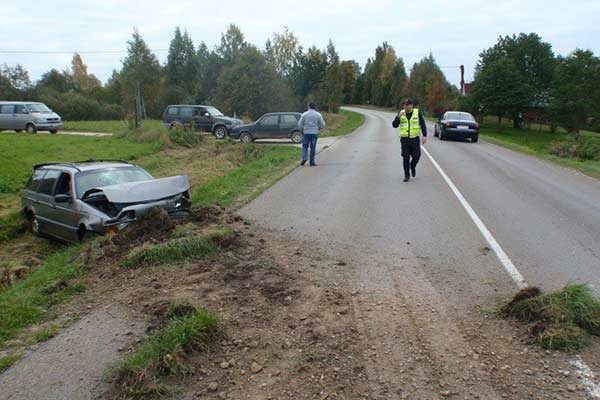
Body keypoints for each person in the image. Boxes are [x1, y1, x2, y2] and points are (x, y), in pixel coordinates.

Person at [392, 99, 427, 182]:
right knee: (406, 157)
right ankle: (406, 175)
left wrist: (424, 135)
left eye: (407, 105)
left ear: (411, 105)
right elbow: (394, 125)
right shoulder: (401, 113)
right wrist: (398, 117)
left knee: (417, 156)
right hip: (405, 139)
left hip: (415, 139)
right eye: (404, 105)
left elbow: (422, 124)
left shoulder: (417, 113)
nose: (406, 106)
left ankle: (413, 166)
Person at [298, 102, 326, 166]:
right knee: (313, 147)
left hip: (306, 133)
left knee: (305, 146)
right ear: (314, 107)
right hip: (314, 133)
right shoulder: (318, 115)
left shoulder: (304, 114)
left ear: (308, 106)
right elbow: (323, 124)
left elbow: (299, 124)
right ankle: (312, 162)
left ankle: (304, 158)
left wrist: (302, 130)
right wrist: (319, 128)